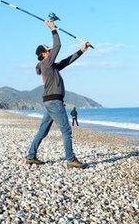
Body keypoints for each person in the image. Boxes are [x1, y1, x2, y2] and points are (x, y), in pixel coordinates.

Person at [25, 19, 91, 168]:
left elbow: (67, 61)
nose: (50, 52)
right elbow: (58, 46)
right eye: (48, 51)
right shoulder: (45, 64)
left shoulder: (51, 66)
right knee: (66, 130)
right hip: (54, 102)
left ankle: (31, 156)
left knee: (43, 130)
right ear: (43, 54)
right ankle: (70, 159)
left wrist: (82, 50)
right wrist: (53, 29)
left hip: (49, 102)